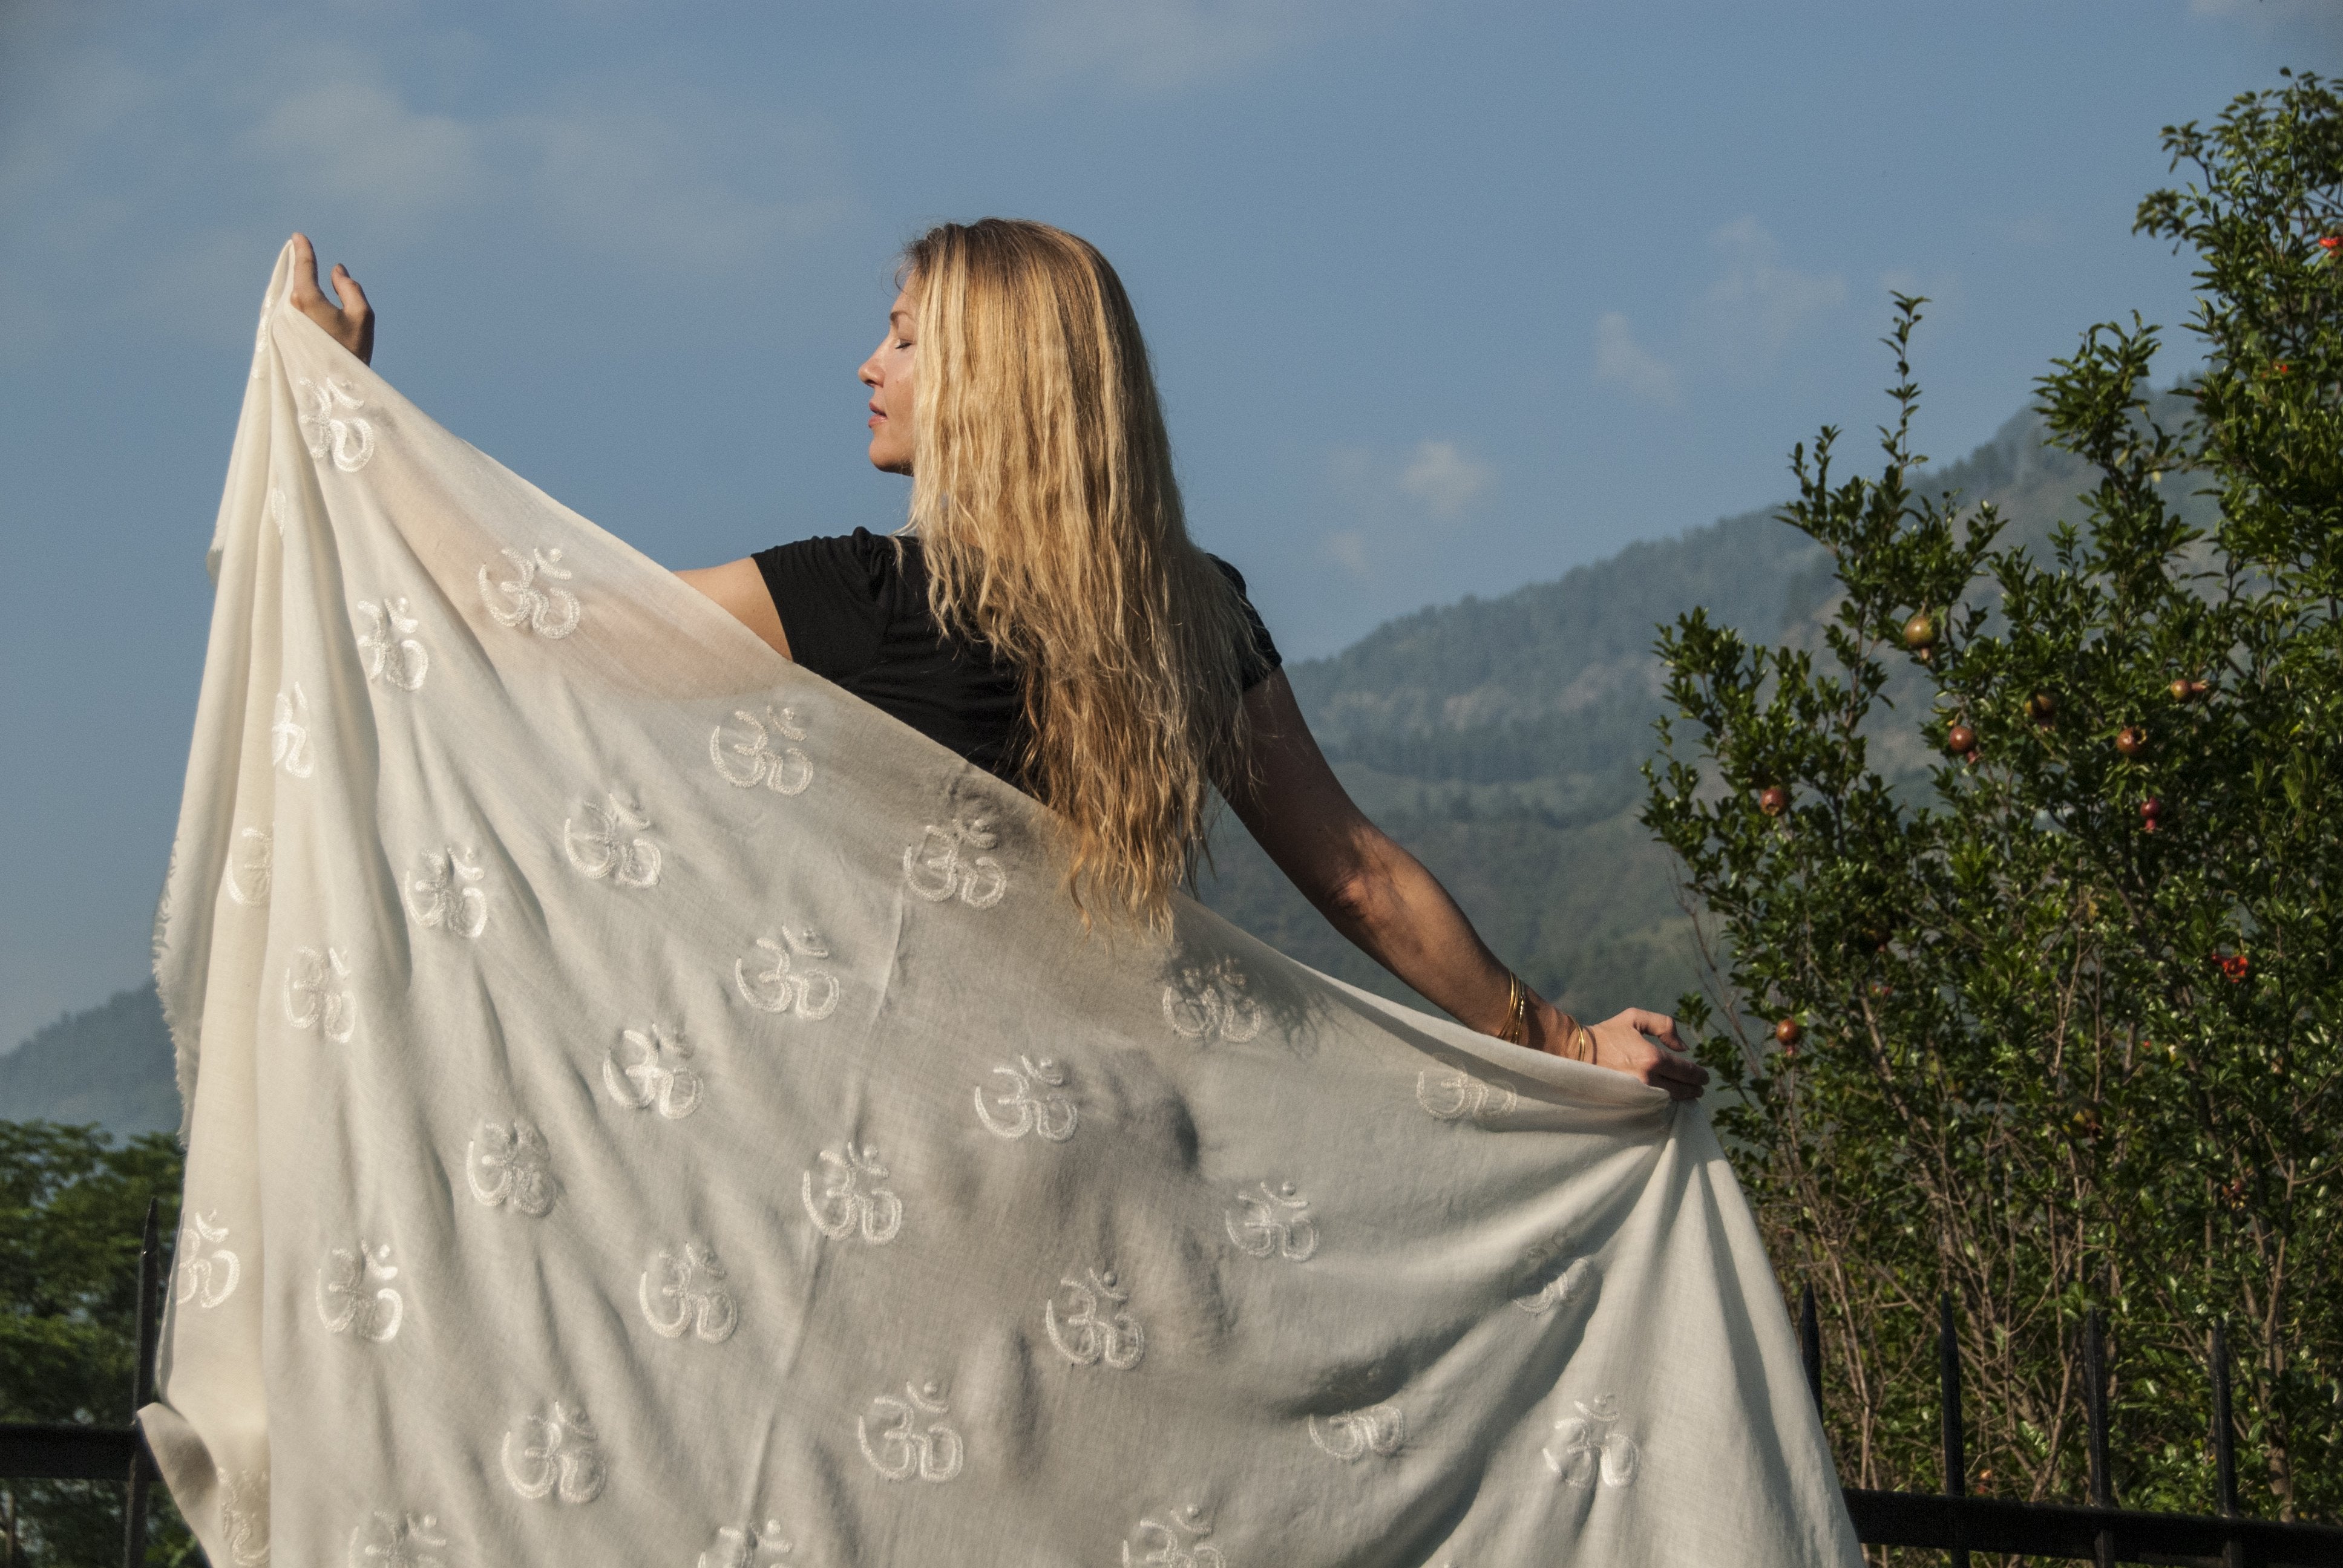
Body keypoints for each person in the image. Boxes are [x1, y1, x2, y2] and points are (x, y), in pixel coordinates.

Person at [282, 225, 1708, 1102]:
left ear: (990, 376)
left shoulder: (848, 598)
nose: (866, 364)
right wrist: (1566, 1047)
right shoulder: (1187, 612)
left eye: (903, 336)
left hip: (891, 1157)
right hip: (1123, 1143)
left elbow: (539, 617)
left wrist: (345, 423)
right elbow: (1358, 873)